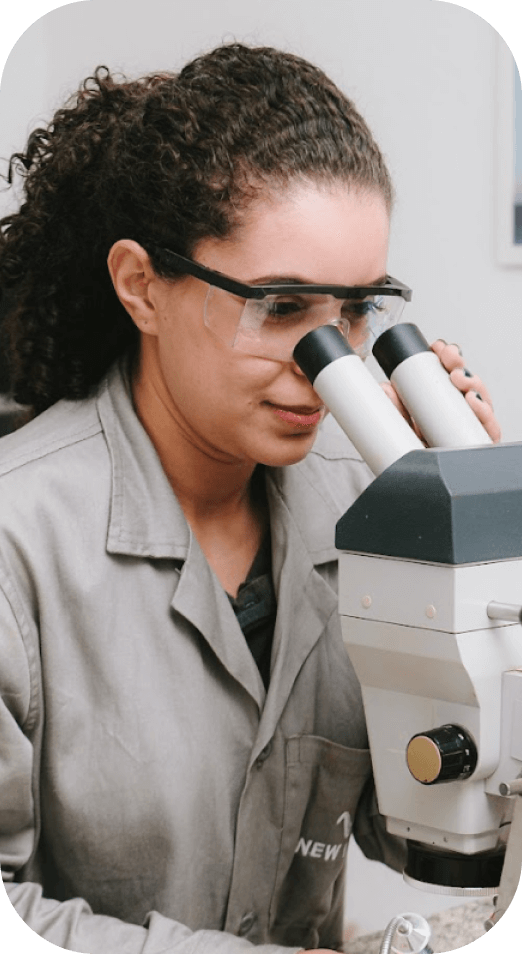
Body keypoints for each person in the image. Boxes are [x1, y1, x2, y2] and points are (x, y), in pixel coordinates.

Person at [0, 44, 500, 954]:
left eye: (356, 311)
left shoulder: (364, 506)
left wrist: (473, 582)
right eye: (280, 307)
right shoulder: (17, 543)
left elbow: (425, 828)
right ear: (142, 287)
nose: (326, 362)